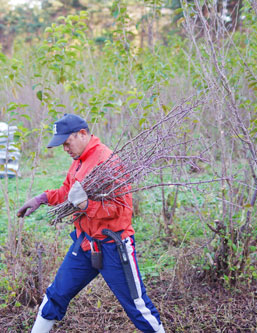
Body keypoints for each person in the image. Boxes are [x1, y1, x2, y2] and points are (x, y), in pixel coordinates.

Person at [17, 114, 165, 333]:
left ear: (83, 134)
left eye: (67, 143)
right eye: (62, 145)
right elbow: (68, 193)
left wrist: (87, 205)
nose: (65, 149)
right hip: (86, 244)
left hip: (114, 246)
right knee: (56, 294)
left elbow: (121, 210)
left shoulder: (107, 161)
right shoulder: (79, 162)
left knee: (137, 305)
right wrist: (42, 198)